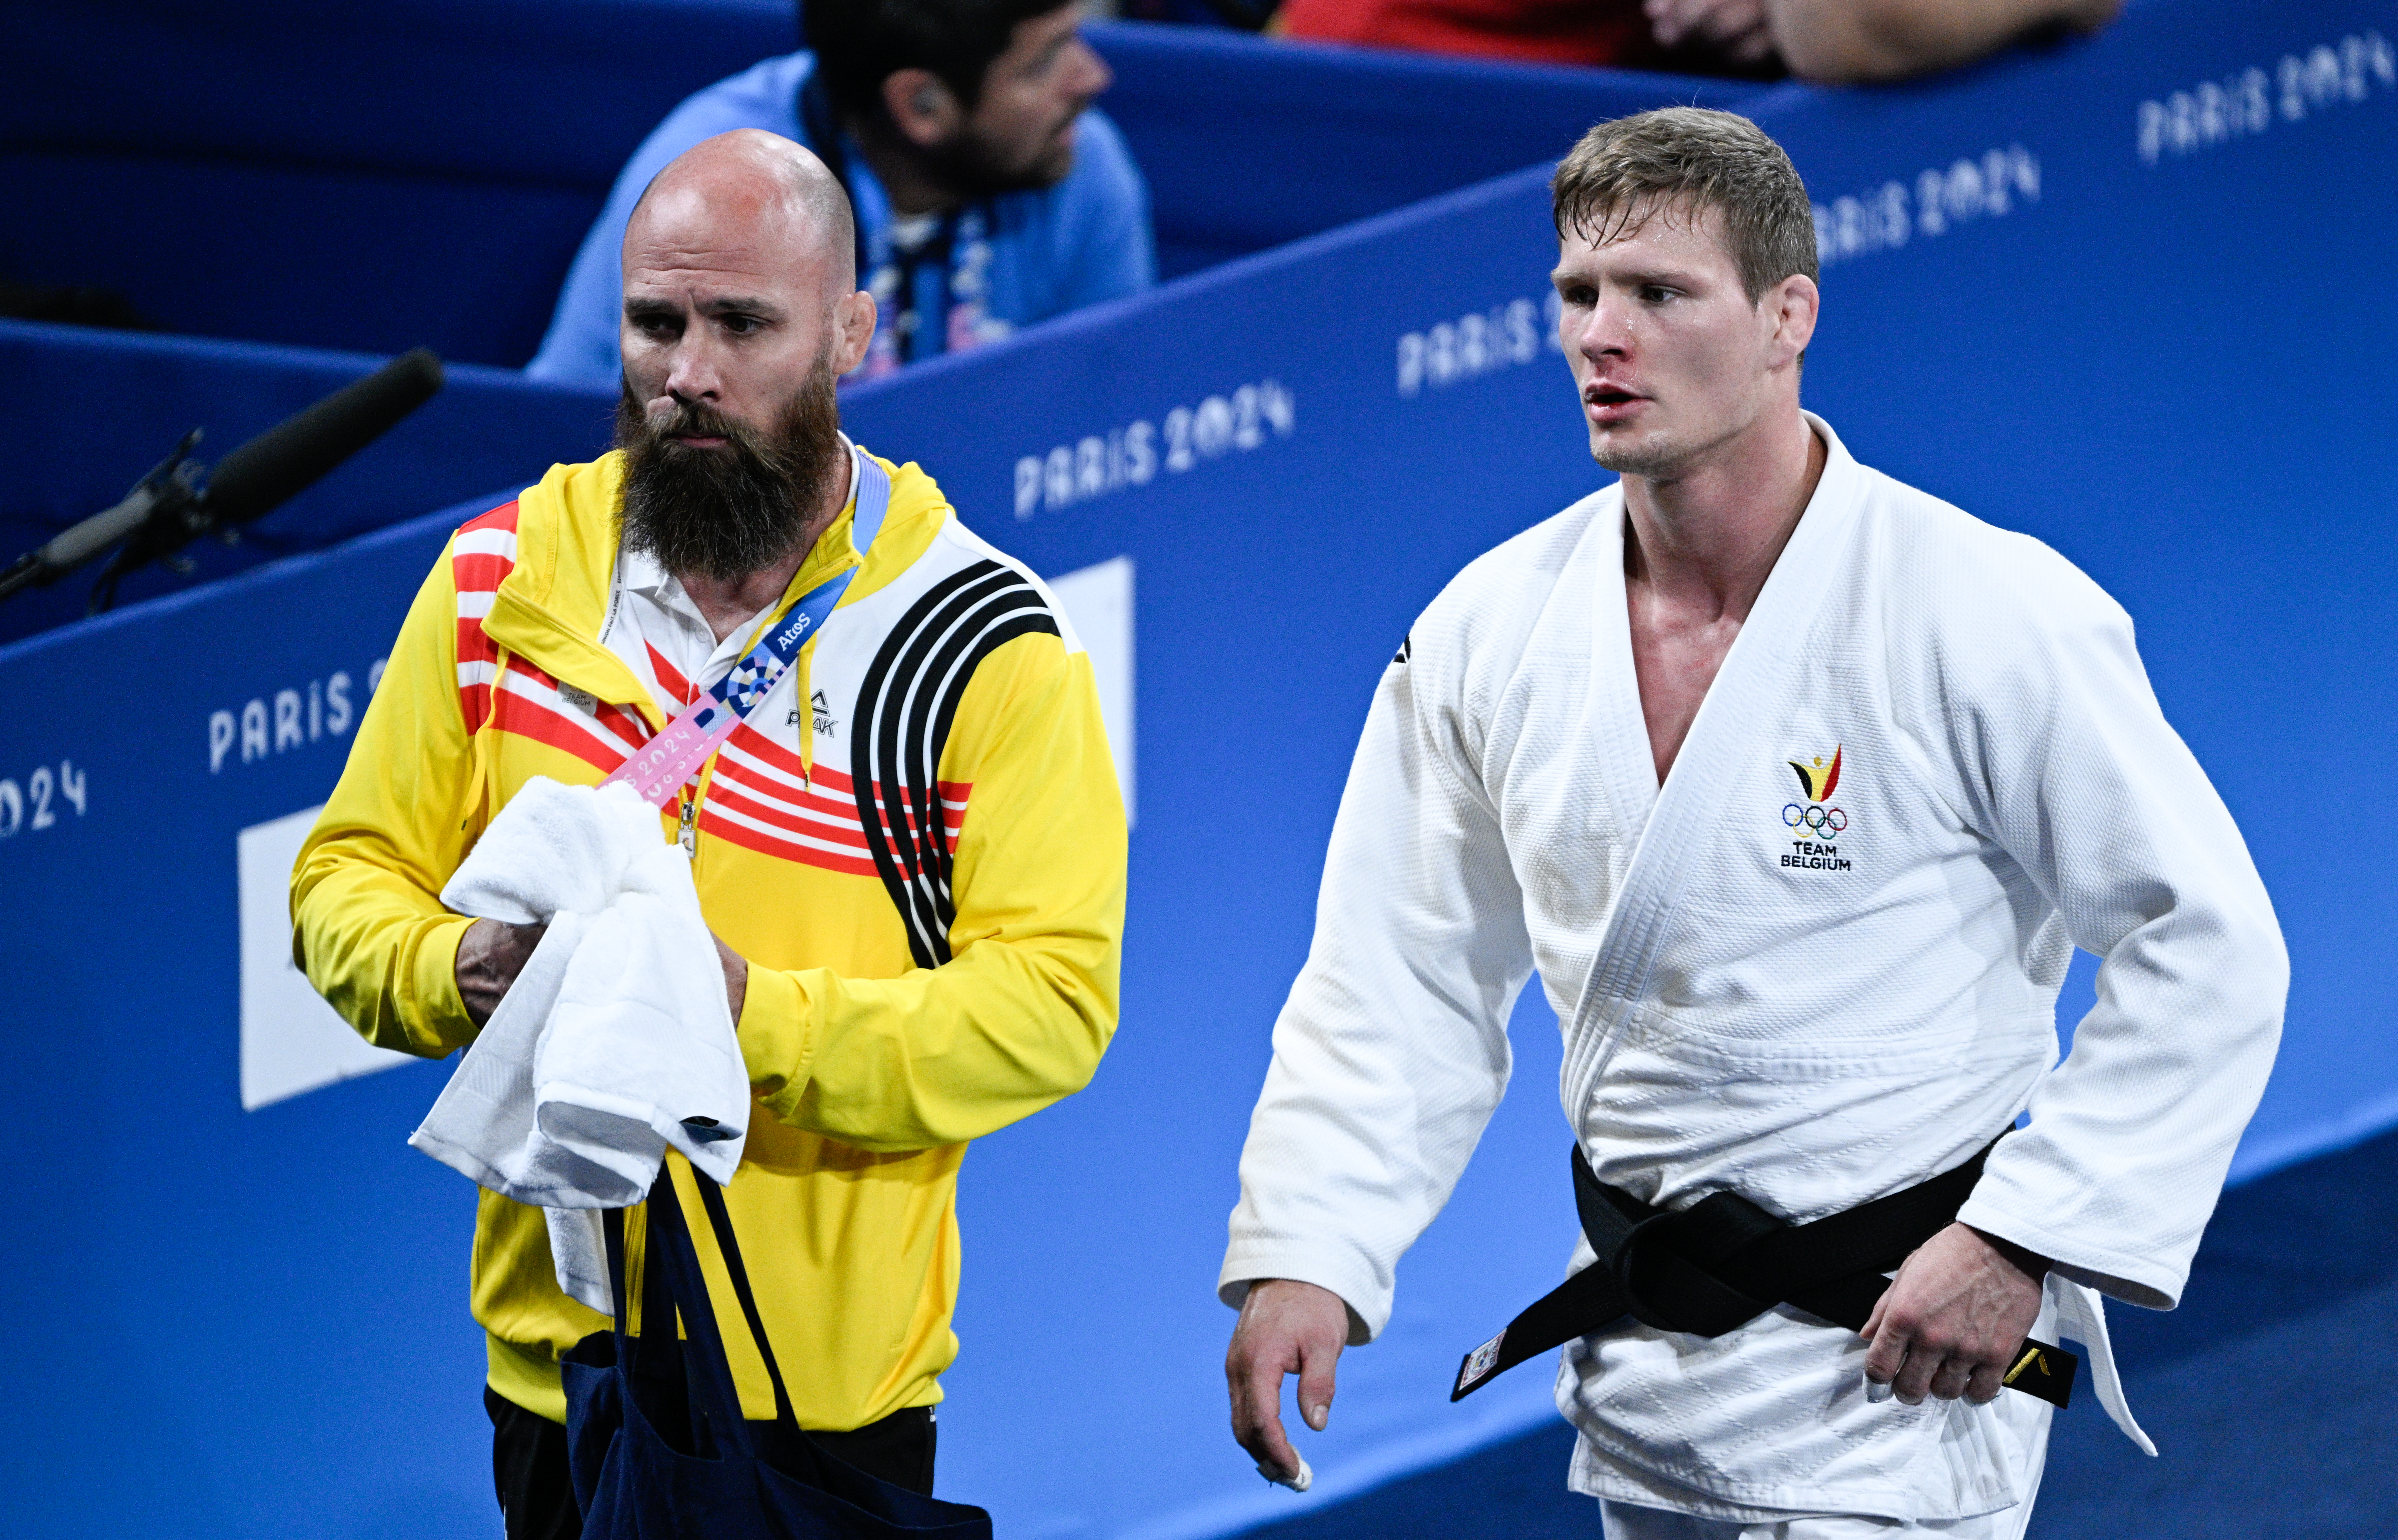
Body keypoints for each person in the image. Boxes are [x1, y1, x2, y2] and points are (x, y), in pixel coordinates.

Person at [1218, 107, 2284, 1538]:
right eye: (1578, 297)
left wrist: (2024, 1235)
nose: (1604, 336)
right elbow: (1395, 975)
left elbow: (2206, 945)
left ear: (1788, 316)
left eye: (1659, 294)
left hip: (1905, 1370)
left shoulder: (1984, 609)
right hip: (1651, 1375)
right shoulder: (1489, 629)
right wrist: (1311, 1246)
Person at [295, 128, 1126, 1536]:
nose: (689, 371)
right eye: (655, 322)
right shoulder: (503, 578)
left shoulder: (977, 644)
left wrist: (736, 1018)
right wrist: (462, 970)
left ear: (850, 332)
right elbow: (342, 883)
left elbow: (1047, 1009)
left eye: (743, 324)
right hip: (561, 1386)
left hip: (821, 1409)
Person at [526, 0, 1154, 388]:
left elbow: (1115, 406)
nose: (1093, 76)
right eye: (1042, 63)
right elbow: (571, 448)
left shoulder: (1077, 160)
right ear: (922, 105)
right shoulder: (706, 190)